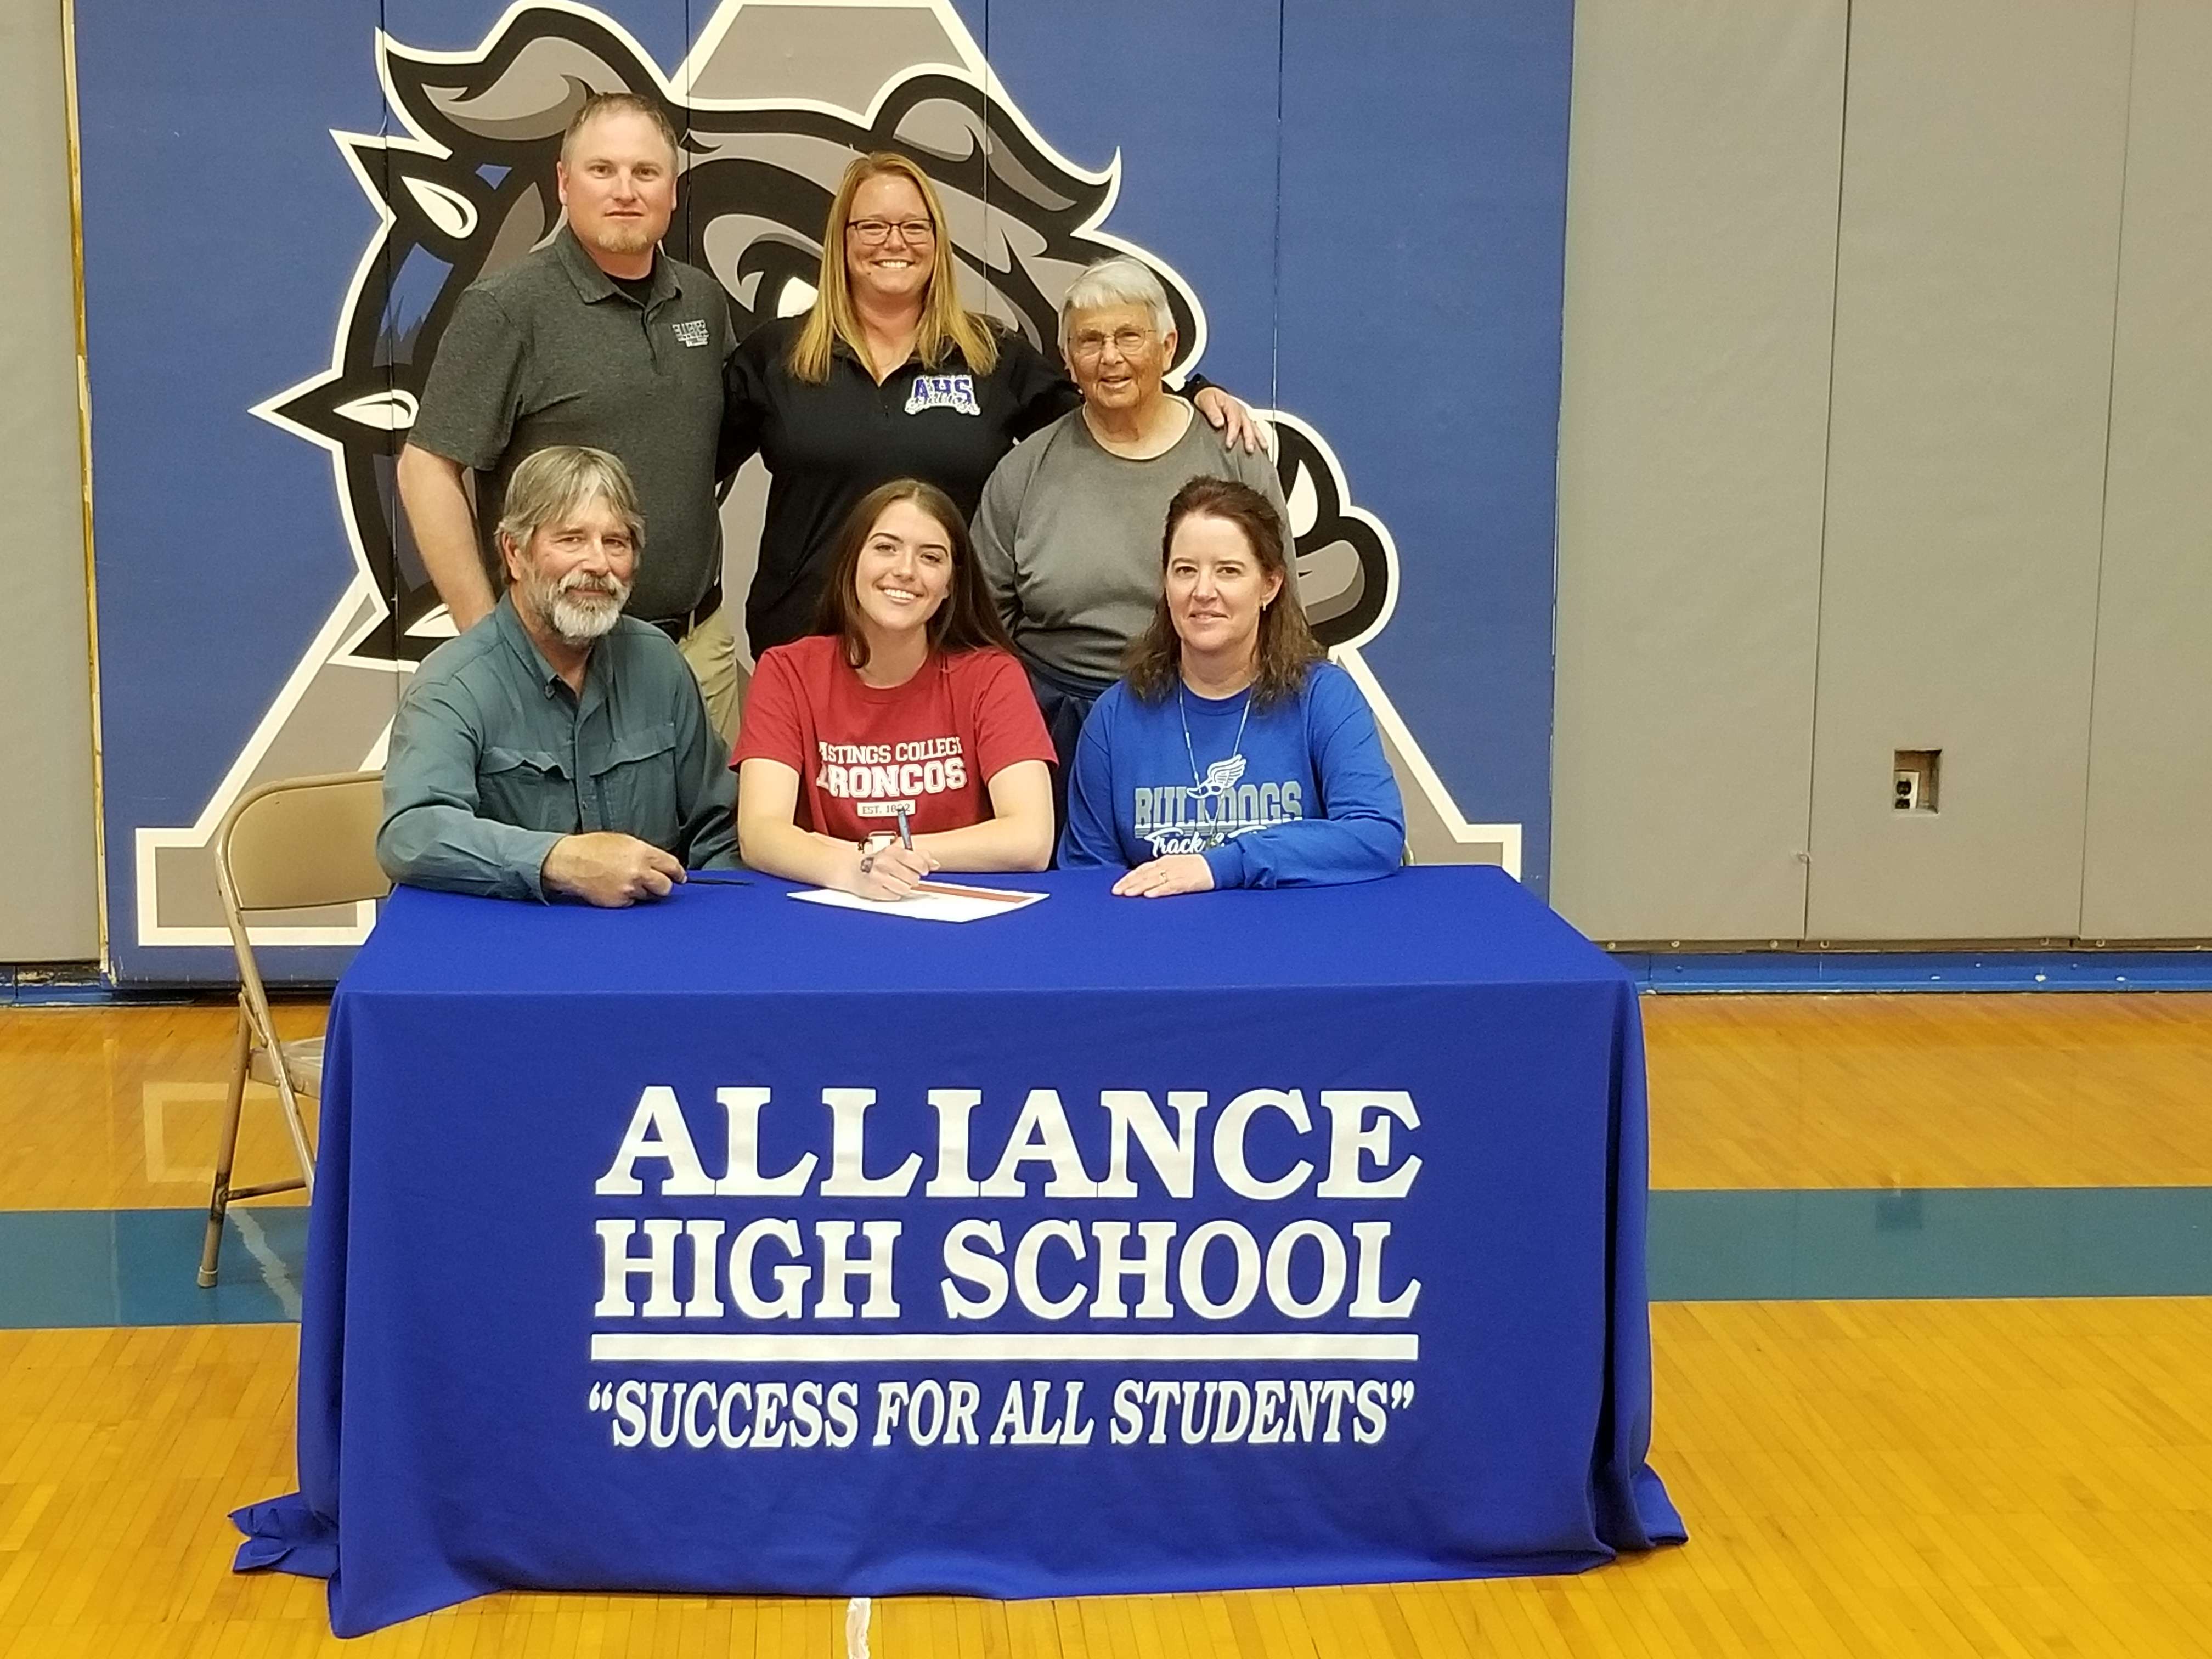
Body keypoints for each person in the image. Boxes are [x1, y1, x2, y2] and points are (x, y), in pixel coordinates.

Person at [720, 151, 1264, 662]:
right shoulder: (777, 356)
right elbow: (692, 458)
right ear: (842, 239)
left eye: (914, 227)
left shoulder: (990, 357)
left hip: (946, 646)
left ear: (937, 241)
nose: (894, 242)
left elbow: (1104, 401)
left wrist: (1192, 394)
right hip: (805, 640)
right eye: (872, 226)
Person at [396, 92, 744, 744]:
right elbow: (427, 471)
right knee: (580, 849)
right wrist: (490, 643)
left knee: (714, 845)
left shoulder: (702, 300)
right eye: (601, 170)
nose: (625, 191)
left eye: (646, 173)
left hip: (698, 652)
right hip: (564, 659)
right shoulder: (507, 307)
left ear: (672, 189)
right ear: (564, 182)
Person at [970, 255, 1295, 782]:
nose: (1110, 357)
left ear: (1167, 348)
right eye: (1090, 341)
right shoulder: (1024, 470)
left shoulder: (1235, 452)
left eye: (1129, 337)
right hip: (1056, 727)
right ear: (1067, 359)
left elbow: (1283, 607)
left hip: (1208, 712)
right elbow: (981, 625)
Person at [379, 446, 739, 905]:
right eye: (571, 539)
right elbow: (411, 834)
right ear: (514, 553)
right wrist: (560, 861)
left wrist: (717, 931)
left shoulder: (659, 664)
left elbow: (719, 827)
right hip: (508, 946)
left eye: (616, 542)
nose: (598, 564)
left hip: (649, 947)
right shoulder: (454, 684)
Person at [1060, 477, 1403, 895]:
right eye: (1185, 570)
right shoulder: (1116, 716)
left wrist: (1225, 865)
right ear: (1165, 584)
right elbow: (1086, 876)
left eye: (1228, 571)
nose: (1203, 591)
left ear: (1270, 585)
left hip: (1293, 943)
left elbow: (1375, 834)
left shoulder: (1323, 697)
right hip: (1160, 949)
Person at [733, 479, 1056, 901]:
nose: (905, 570)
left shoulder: (993, 676)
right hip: (832, 906)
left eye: (931, 557)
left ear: (950, 585)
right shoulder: (787, 671)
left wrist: (881, 854)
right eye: (886, 548)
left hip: (956, 911)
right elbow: (760, 832)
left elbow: (1031, 840)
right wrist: (851, 869)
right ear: (852, 561)